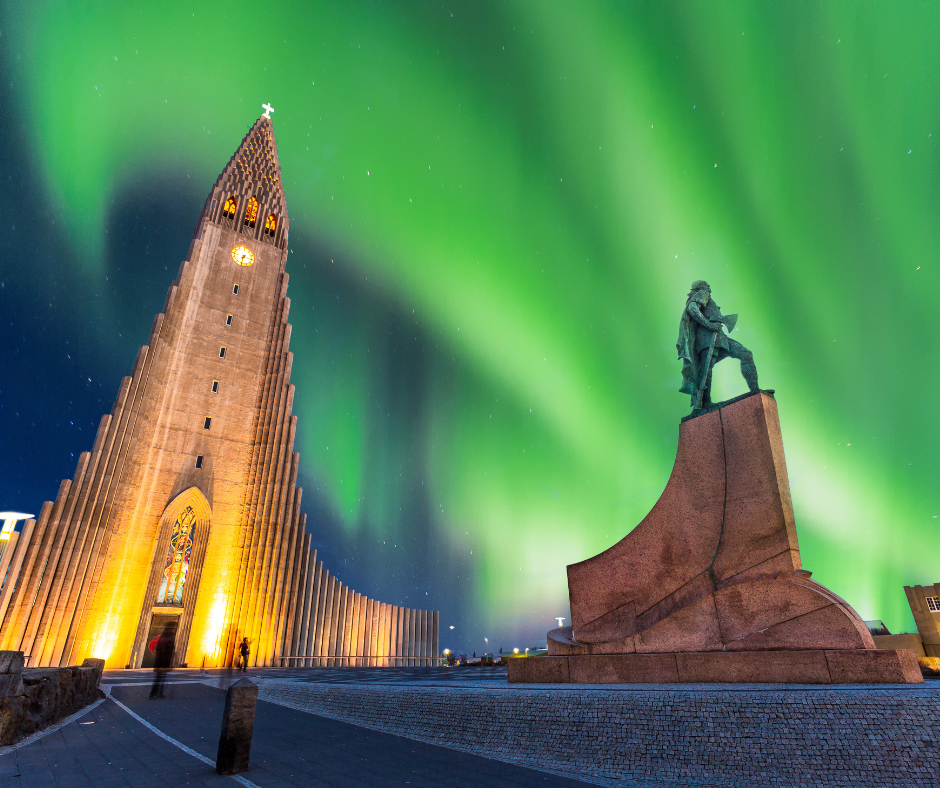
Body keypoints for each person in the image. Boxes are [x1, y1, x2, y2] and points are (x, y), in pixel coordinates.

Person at [676, 280, 759, 409]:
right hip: (708, 339)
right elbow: (692, 308)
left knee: (743, 355)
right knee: (706, 370)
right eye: (705, 284)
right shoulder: (702, 293)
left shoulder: (706, 296)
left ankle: (755, 391)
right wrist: (710, 325)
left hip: (718, 337)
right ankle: (704, 403)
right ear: (699, 288)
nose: (708, 286)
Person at [149, 623, 176, 699]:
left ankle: (159, 693)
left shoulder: (168, 637)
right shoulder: (166, 638)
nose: (174, 629)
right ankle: (153, 694)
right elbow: (164, 651)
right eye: (173, 627)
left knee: (161, 679)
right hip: (162, 662)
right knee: (159, 679)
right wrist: (164, 663)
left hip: (164, 662)